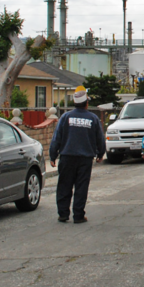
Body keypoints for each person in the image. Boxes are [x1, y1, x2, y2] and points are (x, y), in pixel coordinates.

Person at [49, 86, 105, 224]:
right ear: (86, 103)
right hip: (85, 159)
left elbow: (57, 138)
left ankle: (63, 214)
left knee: (64, 185)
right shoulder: (93, 118)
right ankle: (78, 215)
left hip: (67, 157)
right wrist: (100, 153)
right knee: (81, 187)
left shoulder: (65, 117)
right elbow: (100, 138)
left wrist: (52, 155)